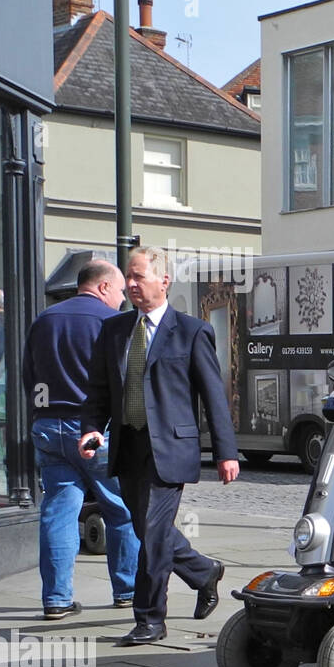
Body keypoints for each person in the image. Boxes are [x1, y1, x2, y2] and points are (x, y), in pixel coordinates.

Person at [78, 247, 239, 646]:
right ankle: (204, 572)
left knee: (151, 533)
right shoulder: (114, 330)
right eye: (128, 278)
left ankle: (150, 618)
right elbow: (98, 390)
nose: (131, 284)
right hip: (128, 445)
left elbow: (213, 395)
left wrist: (226, 452)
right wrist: (91, 428)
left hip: (170, 448)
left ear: (164, 280)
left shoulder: (191, 331)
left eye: (139, 276)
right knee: (146, 527)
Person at [22, 260, 140, 619]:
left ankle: (56, 599)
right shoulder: (110, 322)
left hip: (48, 427)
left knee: (58, 512)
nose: (123, 299)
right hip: (93, 430)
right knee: (122, 509)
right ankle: (128, 590)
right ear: (103, 286)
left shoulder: (45, 319)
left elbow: (29, 374)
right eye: (120, 291)